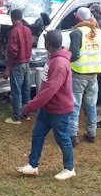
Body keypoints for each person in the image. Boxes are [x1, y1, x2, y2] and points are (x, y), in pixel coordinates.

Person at [15, 30, 76, 181]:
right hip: (48, 108)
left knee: (62, 138)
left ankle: (69, 168)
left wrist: (30, 106)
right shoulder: (53, 58)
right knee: (38, 134)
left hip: (59, 109)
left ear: (48, 44)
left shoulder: (60, 63)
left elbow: (49, 90)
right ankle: (32, 165)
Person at [68, 7, 101, 145]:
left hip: (78, 75)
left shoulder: (77, 32)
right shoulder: (99, 32)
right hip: (93, 75)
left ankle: (73, 135)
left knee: (75, 106)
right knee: (91, 105)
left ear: (78, 17)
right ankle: (92, 133)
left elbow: (75, 54)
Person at [3, 9, 33, 124]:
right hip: (27, 64)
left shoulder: (14, 32)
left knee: (17, 90)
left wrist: (7, 69)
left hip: (17, 64)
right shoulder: (28, 30)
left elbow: (12, 52)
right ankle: (26, 114)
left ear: (12, 18)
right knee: (26, 89)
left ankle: (16, 117)